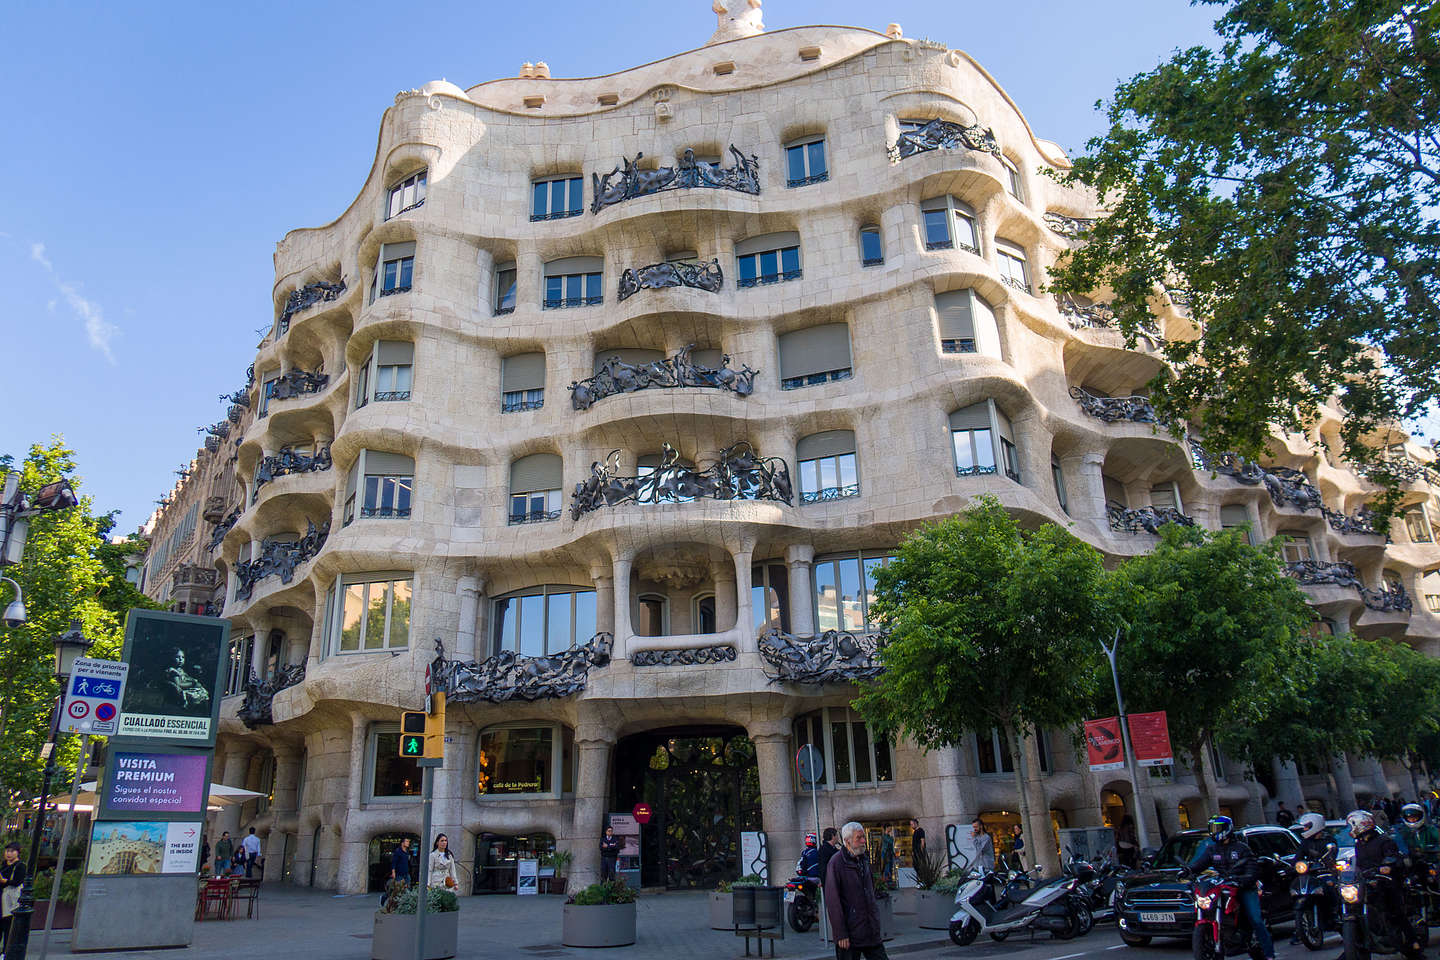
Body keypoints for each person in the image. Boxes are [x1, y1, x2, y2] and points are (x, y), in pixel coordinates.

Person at [1184, 815, 1275, 960]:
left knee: (1255, 919)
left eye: (1217, 828)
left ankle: (1269, 954)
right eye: (1212, 828)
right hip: (1224, 885)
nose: (1214, 831)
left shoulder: (1241, 848)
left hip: (1244, 887)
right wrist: (1188, 870)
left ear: (1227, 829)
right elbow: (1200, 863)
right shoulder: (1212, 849)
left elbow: (1252, 868)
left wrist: (1244, 879)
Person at [1349, 808, 1425, 959]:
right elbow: (1358, 864)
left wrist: (1387, 866)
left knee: (1395, 912)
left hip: (1387, 883)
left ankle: (1413, 944)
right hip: (1367, 883)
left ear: (1360, 824)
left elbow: (1392, 856)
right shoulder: (1359, 844)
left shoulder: (1384, 840)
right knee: (1352, 906)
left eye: (1351, 825)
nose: (1350, 829)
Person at [824, 821, 889, 960]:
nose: (863, 841)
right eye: (858, 838)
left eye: (863, 837)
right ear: (847, 841)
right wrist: (840, 933)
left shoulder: (864, 859)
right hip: (850, 934)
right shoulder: (836, 863)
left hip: (870, 930)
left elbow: (870, 889)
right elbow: (833, 901)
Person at [1289, 813, 1337, 944]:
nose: (1304, 829)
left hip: (1325, 872)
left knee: (1331, 887)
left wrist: (1327, 860)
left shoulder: (1329, 840)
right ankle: (1300, 928)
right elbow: (1298, 856)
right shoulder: (1305, 842)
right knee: (1297, 887)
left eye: (1306, 827)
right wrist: (1292, 866)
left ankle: (1337, 915)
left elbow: (1332, 854)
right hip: (1311, 873)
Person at [1, 842, 27, 956]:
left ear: (18, 853)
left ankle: (6, 952)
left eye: (12, 851)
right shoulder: (3, 865)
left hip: (10, 901)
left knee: (8, 927)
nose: (9, 854)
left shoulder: (20, 866)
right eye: (7, 851)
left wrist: (4, 881)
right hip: (1, 899)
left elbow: (17, 881)